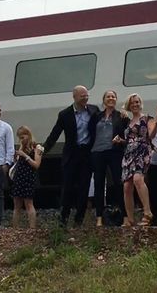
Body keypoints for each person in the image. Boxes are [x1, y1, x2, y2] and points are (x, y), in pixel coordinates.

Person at [43, 85, 100, 227]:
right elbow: (55, 133)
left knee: (84, 187)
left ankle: (79, 220)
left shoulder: (94, 111)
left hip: (87, 153)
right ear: (74, 97)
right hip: (72, 154)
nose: (85, 98)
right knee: (67, 186)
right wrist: (43, 149)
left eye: (87, 95)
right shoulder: (65, 114)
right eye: (82, 96)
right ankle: (63, 217)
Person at [89, 90, 129, 227]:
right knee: (99, 185)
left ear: (116, 100)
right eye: (108, 96)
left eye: (113, 96)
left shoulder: (121, 116)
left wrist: (121, 140)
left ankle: (125, 217)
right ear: (104, 100)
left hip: (114, 152)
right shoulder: (96, 116)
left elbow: (129, 135)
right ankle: (99, 217)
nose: (111, 98)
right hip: (97, 152)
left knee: (119, 183)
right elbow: (90, 132)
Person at [121, 93, 154, 227]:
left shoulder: (148, 118)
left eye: (137, 102)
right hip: (128, 153)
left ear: (141, 104)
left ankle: (147, 213)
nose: (135, 104)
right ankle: (130, 219)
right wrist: (120, 140)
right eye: (132, 102)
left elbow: (151, 135)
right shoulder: (127, 121)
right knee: (127, 186)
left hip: (142, 151)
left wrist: (155, 129)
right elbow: (129, 139)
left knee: (138, 179)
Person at [11, 126, 43, 228]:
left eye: (23, 137)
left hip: (28, 178)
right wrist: (16, 157)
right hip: (19, 178)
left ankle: (32, 228)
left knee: (29, 203)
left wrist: (25, 156)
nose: (21, 140)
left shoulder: (37, 148)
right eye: (19, 138)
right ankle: (15, 227)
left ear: (28, 135)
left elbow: (37, 165)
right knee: (16, 205)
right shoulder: (21, 147)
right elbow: (17, 163)